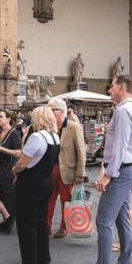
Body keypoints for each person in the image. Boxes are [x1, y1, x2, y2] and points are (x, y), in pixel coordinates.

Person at [94, 74, 132, 264]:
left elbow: (119, 147)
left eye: (112, 86)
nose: (109, 90)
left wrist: (107, 175)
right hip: (128, 170)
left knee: (103, 221)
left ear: (122, 87)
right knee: (122, 220)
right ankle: (125, 262)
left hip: (120, 172)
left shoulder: (122, 111)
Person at [12, 106, 60, 264]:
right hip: (46, 183)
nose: (31, 120)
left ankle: (29, 262)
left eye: (33, 117)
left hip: (30, 185)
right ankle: (43, 259)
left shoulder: (37, 137)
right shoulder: (55, 137)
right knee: (40, 222)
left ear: (39, 119)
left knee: (26, 225)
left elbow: (22, 164)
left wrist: (14, 171)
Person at [46, 98, 86, 238]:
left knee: (66, 200)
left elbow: (81, 152)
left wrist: (80, 173)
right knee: (48, 199)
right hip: (51, 169)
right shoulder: (49, 127)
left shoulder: (74, 127)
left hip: (68, 170)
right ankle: (47, 226)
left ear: (61, 111)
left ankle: (64, 227)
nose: (49, 112)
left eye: (52, 109)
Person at [0, 109, 21, 234]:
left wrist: (1, 148)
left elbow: (18, 152)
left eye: (1, 116)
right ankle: (8, 216)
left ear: (8, 119)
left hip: (8, 167)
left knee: (6, 195)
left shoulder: (14, 133)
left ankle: (5, 221)